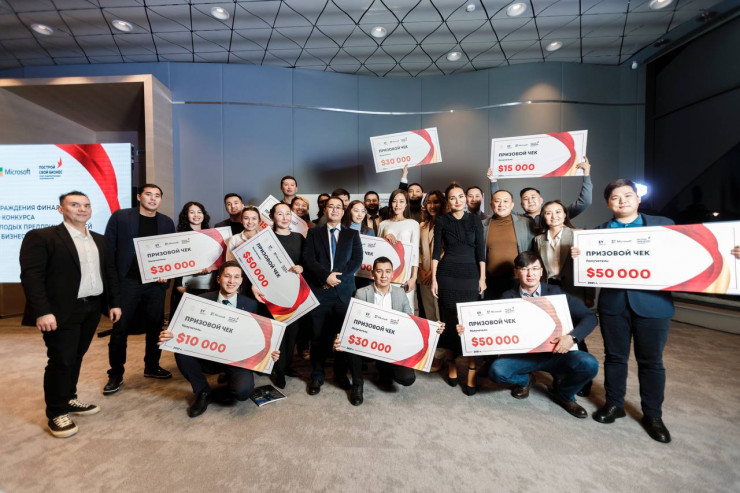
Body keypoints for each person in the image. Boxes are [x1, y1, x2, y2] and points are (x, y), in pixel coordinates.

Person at [571, 178, 674, 442]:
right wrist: (580, 258)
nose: (622, 201)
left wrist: (727, 251)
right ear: (608, 204)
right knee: (615, 357)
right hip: (614, 305)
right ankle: (614, 404)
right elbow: (590, 270)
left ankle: (653, 415)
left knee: (651, 362)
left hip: (653, 305)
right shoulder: (597, 233)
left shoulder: (664, 225)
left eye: (628, 196)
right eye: (615, 197)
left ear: (638, 199)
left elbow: (690, 252)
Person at [20, 191, 121, 438]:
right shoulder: (42, 237)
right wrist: (43, 311)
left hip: (91, 307)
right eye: (75, 205)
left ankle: (69, 397)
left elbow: (109, 273)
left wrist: (114, 303)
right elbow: (32, 277)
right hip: (60, 311)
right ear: (61, 209)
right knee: (62, 360)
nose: (82, 209)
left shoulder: (99, 240)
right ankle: (56, 412)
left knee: (76, 356)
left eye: (86, 205)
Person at [462, 251, 598, 418]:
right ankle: (525, 380)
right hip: (524, 356)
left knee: (589, 363)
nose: (530, 274)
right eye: (524, 269)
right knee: (497, 371)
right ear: (516, 272)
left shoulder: (556, 293)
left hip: (556, 353)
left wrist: (572, 338)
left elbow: (590, 317)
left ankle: (563, 393)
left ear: (541, 272)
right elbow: (491, 327)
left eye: (534, 268)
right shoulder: (508, 297)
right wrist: (468, 329)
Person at [158, 261, 280, 417]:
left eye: (236, 277)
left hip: (236, 359)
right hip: (208, 355)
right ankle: (203, 391)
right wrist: (171, 336)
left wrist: (270, 353)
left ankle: (230, 378)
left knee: (243, 392)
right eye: (227, 276)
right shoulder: (200, 300)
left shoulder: (251, 304)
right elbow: (185, 328)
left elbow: (258, 338)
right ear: (218, 279)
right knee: (180, 350)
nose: (231, 281)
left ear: (241, 280)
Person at [333, 257, 445, 405]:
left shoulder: (400, 293)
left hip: (391, 347)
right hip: (368, 344)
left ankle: (383, 368)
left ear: (393, 274)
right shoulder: (361, 293)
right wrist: (342, 337)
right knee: (352, 344)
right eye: (379, 271)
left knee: (407, 378)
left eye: (387, 271)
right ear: (373, 273)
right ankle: (358, 384)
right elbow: (353, 324)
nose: (383, 276)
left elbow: (411, 322)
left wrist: (432, 327)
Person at [103, 184, 175, 395]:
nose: (153, 198)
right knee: (120, 329)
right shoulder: (121, 217)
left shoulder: (166, 222)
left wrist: (167, 272)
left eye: (157, 195)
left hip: (155, 283)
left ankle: (152, 366)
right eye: (148, 194)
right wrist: (112, 282)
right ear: (139, 197)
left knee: (155, 328)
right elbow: (108, 248)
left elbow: (171, 252)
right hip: (128, 281)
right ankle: (115, 374)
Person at [301, 196, 363, 400]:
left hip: (344, 292)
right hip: (320, 291)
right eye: (331, 206)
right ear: (325, 209)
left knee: (342, 337)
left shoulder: (352, 234)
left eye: (339, 207)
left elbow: (356, 260)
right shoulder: (314, 233)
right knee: (318, 337)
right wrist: (325, 276)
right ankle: (317, 376)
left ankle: (340, 373)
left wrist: (336, 278)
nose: (335, 210)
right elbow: (308, 259)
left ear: (343, 212)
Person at [535, 200, 595, 396]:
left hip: (573, 290)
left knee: (576, 335)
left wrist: (589, 295)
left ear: (565, 215)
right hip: (550, 291)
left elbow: (589, 267)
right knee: (554, 334)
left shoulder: (578, 235)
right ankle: (559, 377)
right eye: (548, 213)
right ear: (543, 217)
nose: (553, 216)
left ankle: (584, 380)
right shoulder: (538, 240)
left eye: (558, 212)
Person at [431, 183, 486, 395]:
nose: (458, 200)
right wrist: (434, 279)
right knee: (449, 320)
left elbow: (480, 251)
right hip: (447, 274)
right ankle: (451, 362)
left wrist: (482, 277)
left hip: (470, 274)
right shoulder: (441, 221)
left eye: (461, 196)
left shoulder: (475, 220)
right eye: (453, 197)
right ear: (448, 201)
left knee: (469, 322)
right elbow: (436, 251)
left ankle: (472, 367)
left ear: (465, 198)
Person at [253, 203, 305, 389]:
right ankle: (279, 370)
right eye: (280, 214)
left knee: (292, 333)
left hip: (293, 293)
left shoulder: (299, 238)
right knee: (276, 333)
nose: (284, 217)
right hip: (271, 293)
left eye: (287, 214)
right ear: (272, 217)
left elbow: (306, 262)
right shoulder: (265, 238)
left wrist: (301, 268)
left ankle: (287, 365)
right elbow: (256, 265)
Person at [487, 157, 592, 223]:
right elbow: (499, 202)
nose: (530, 201)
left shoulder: (555, 216)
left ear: (541, 200)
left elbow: (585, 202)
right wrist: (493, 181)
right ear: (521, 204)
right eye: (526, 199)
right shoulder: (517, 219)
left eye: (533, 197)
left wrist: (586, 174)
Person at [482, 189, 536, 300]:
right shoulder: (482, 225)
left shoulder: (526, 222)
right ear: (491, 205)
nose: (501, 204)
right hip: (491, 282)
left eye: (506, 201)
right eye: (497, 201)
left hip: (518, 280)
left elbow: (535, 249)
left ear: (512, 205)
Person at [377, 189, 420, 312]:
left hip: (405, 275)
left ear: (406, 204)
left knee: (406, 310)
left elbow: (415, 253)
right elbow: (378, 251)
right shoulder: (383, 224)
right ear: (390, 203)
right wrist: (385, 239)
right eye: (394, 201)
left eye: (401, 201)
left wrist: (413, 278)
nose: (397, 205)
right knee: (385, 309)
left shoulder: (413, 224)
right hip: (386, 275)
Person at [170, 201, 214, 316]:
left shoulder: (211, 235)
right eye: (192, 212)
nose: (196, 215)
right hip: (186, 284)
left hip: (207, 283)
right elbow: (176, 261)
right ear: (186, 215)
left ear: (203, 215)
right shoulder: (180, 237)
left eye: (199, 212)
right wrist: (178, 284)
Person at [418, 190, 445, 322]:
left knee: (440, 312)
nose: (432, 206)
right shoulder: (422, 225)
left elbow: (446, 251)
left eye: (436, 202)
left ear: (442, 204)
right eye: (429, 202)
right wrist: (421, 271)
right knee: (429, 313)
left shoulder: (447, 223)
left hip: (439, 274)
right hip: (423, 276)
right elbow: (417, 250)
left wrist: (432, 273)